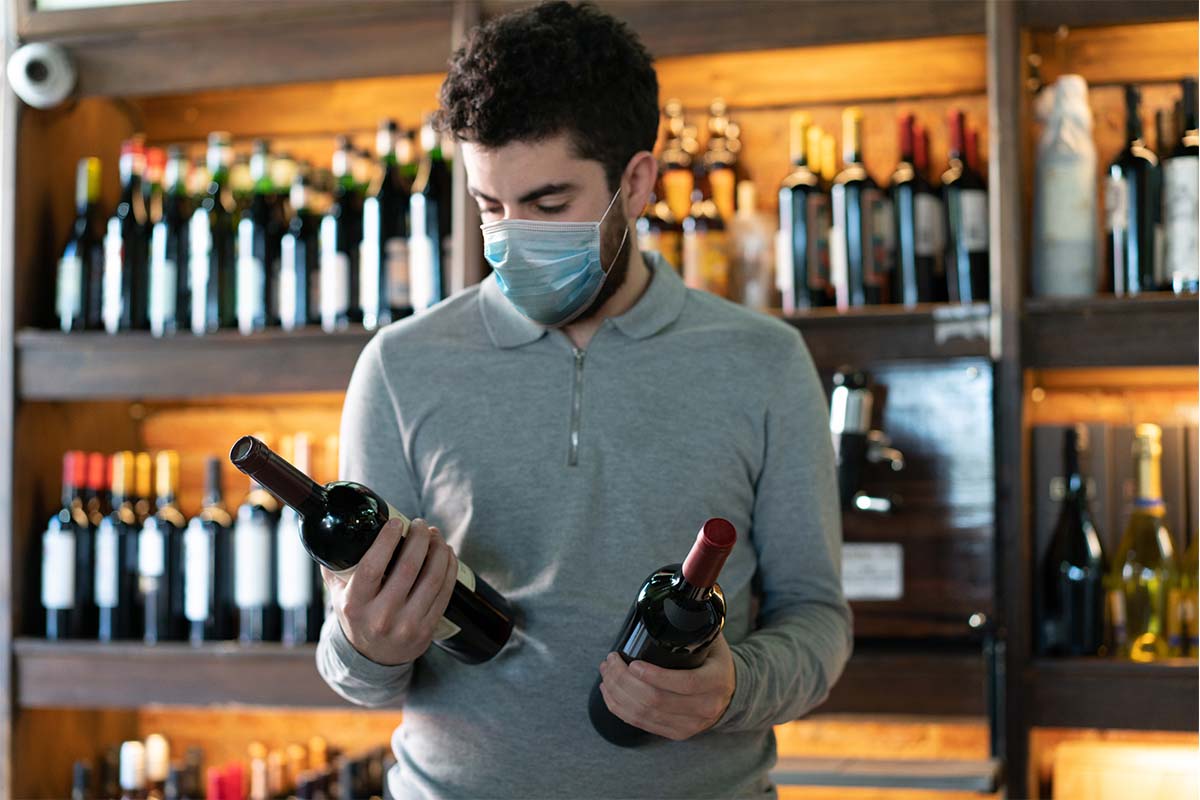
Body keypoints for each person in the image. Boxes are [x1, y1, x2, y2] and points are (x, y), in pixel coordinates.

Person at [316, 3, 851, 797]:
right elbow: (352, 671)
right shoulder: (400, 366)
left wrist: (734, 685)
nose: (509, 241)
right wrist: (369, 645)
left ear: (635, 182)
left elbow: (816, 617)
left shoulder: (763, 362)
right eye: (489, 207)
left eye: (548, 204)